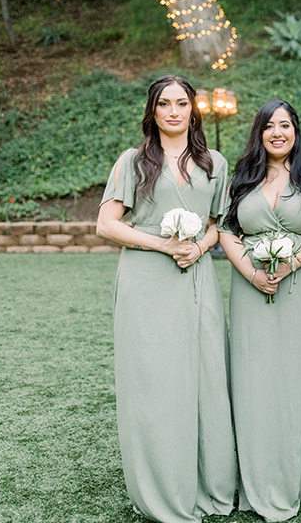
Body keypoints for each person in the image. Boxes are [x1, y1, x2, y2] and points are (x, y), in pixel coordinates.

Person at [96, 75, 236, 523]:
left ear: (193, 109)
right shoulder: (133, 161)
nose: (173, 111)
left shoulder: (215, 161)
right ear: (152, 111)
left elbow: (219, 223)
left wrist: (198, 247)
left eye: (182, 103)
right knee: (155, 385)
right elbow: (107, 224)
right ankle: (161, 488)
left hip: (195, 276)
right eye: (164, 104)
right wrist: (161, 244)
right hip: (146, 279)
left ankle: (208, 485)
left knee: (205, 379)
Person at [219, 99, 301, 521]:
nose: (277, 133)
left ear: (296, 131)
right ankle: (258, 473)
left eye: (285, 125)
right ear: (259, 133)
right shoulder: (241, 179)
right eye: (269, 126)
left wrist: (291, 264)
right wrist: (251, 273)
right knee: (256, 380)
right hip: (251, 291)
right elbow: (226, 231)